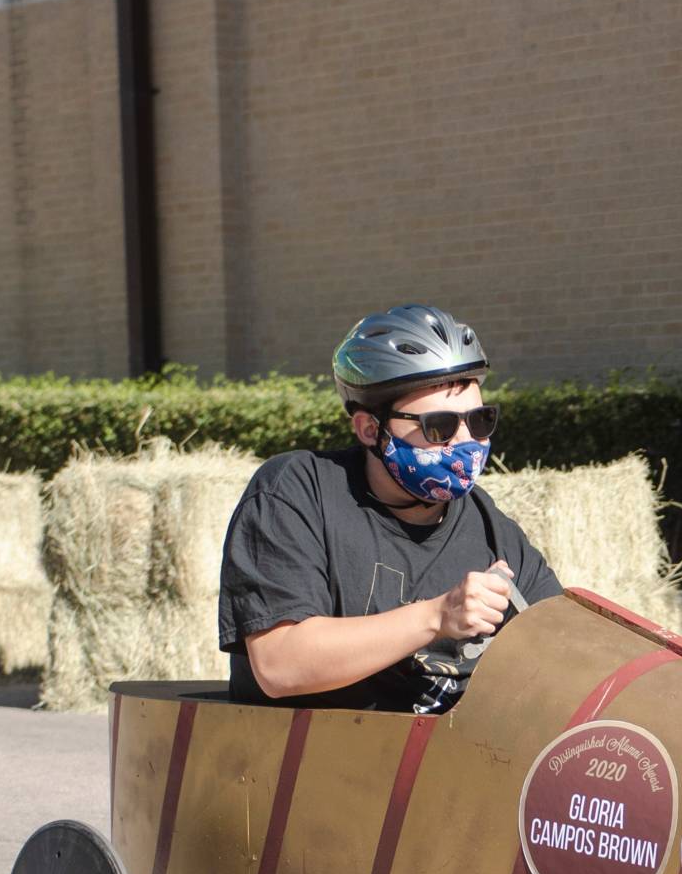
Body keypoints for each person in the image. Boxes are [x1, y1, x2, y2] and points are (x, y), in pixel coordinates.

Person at [217, 305, 562, 713]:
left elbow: (562, 649)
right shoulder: (297, 491)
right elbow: (280, 665)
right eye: (440, 426)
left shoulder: (488, 525)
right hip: (310, 764)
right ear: (370, 429)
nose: (466, 441)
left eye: (480, 420)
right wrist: (437, 616)